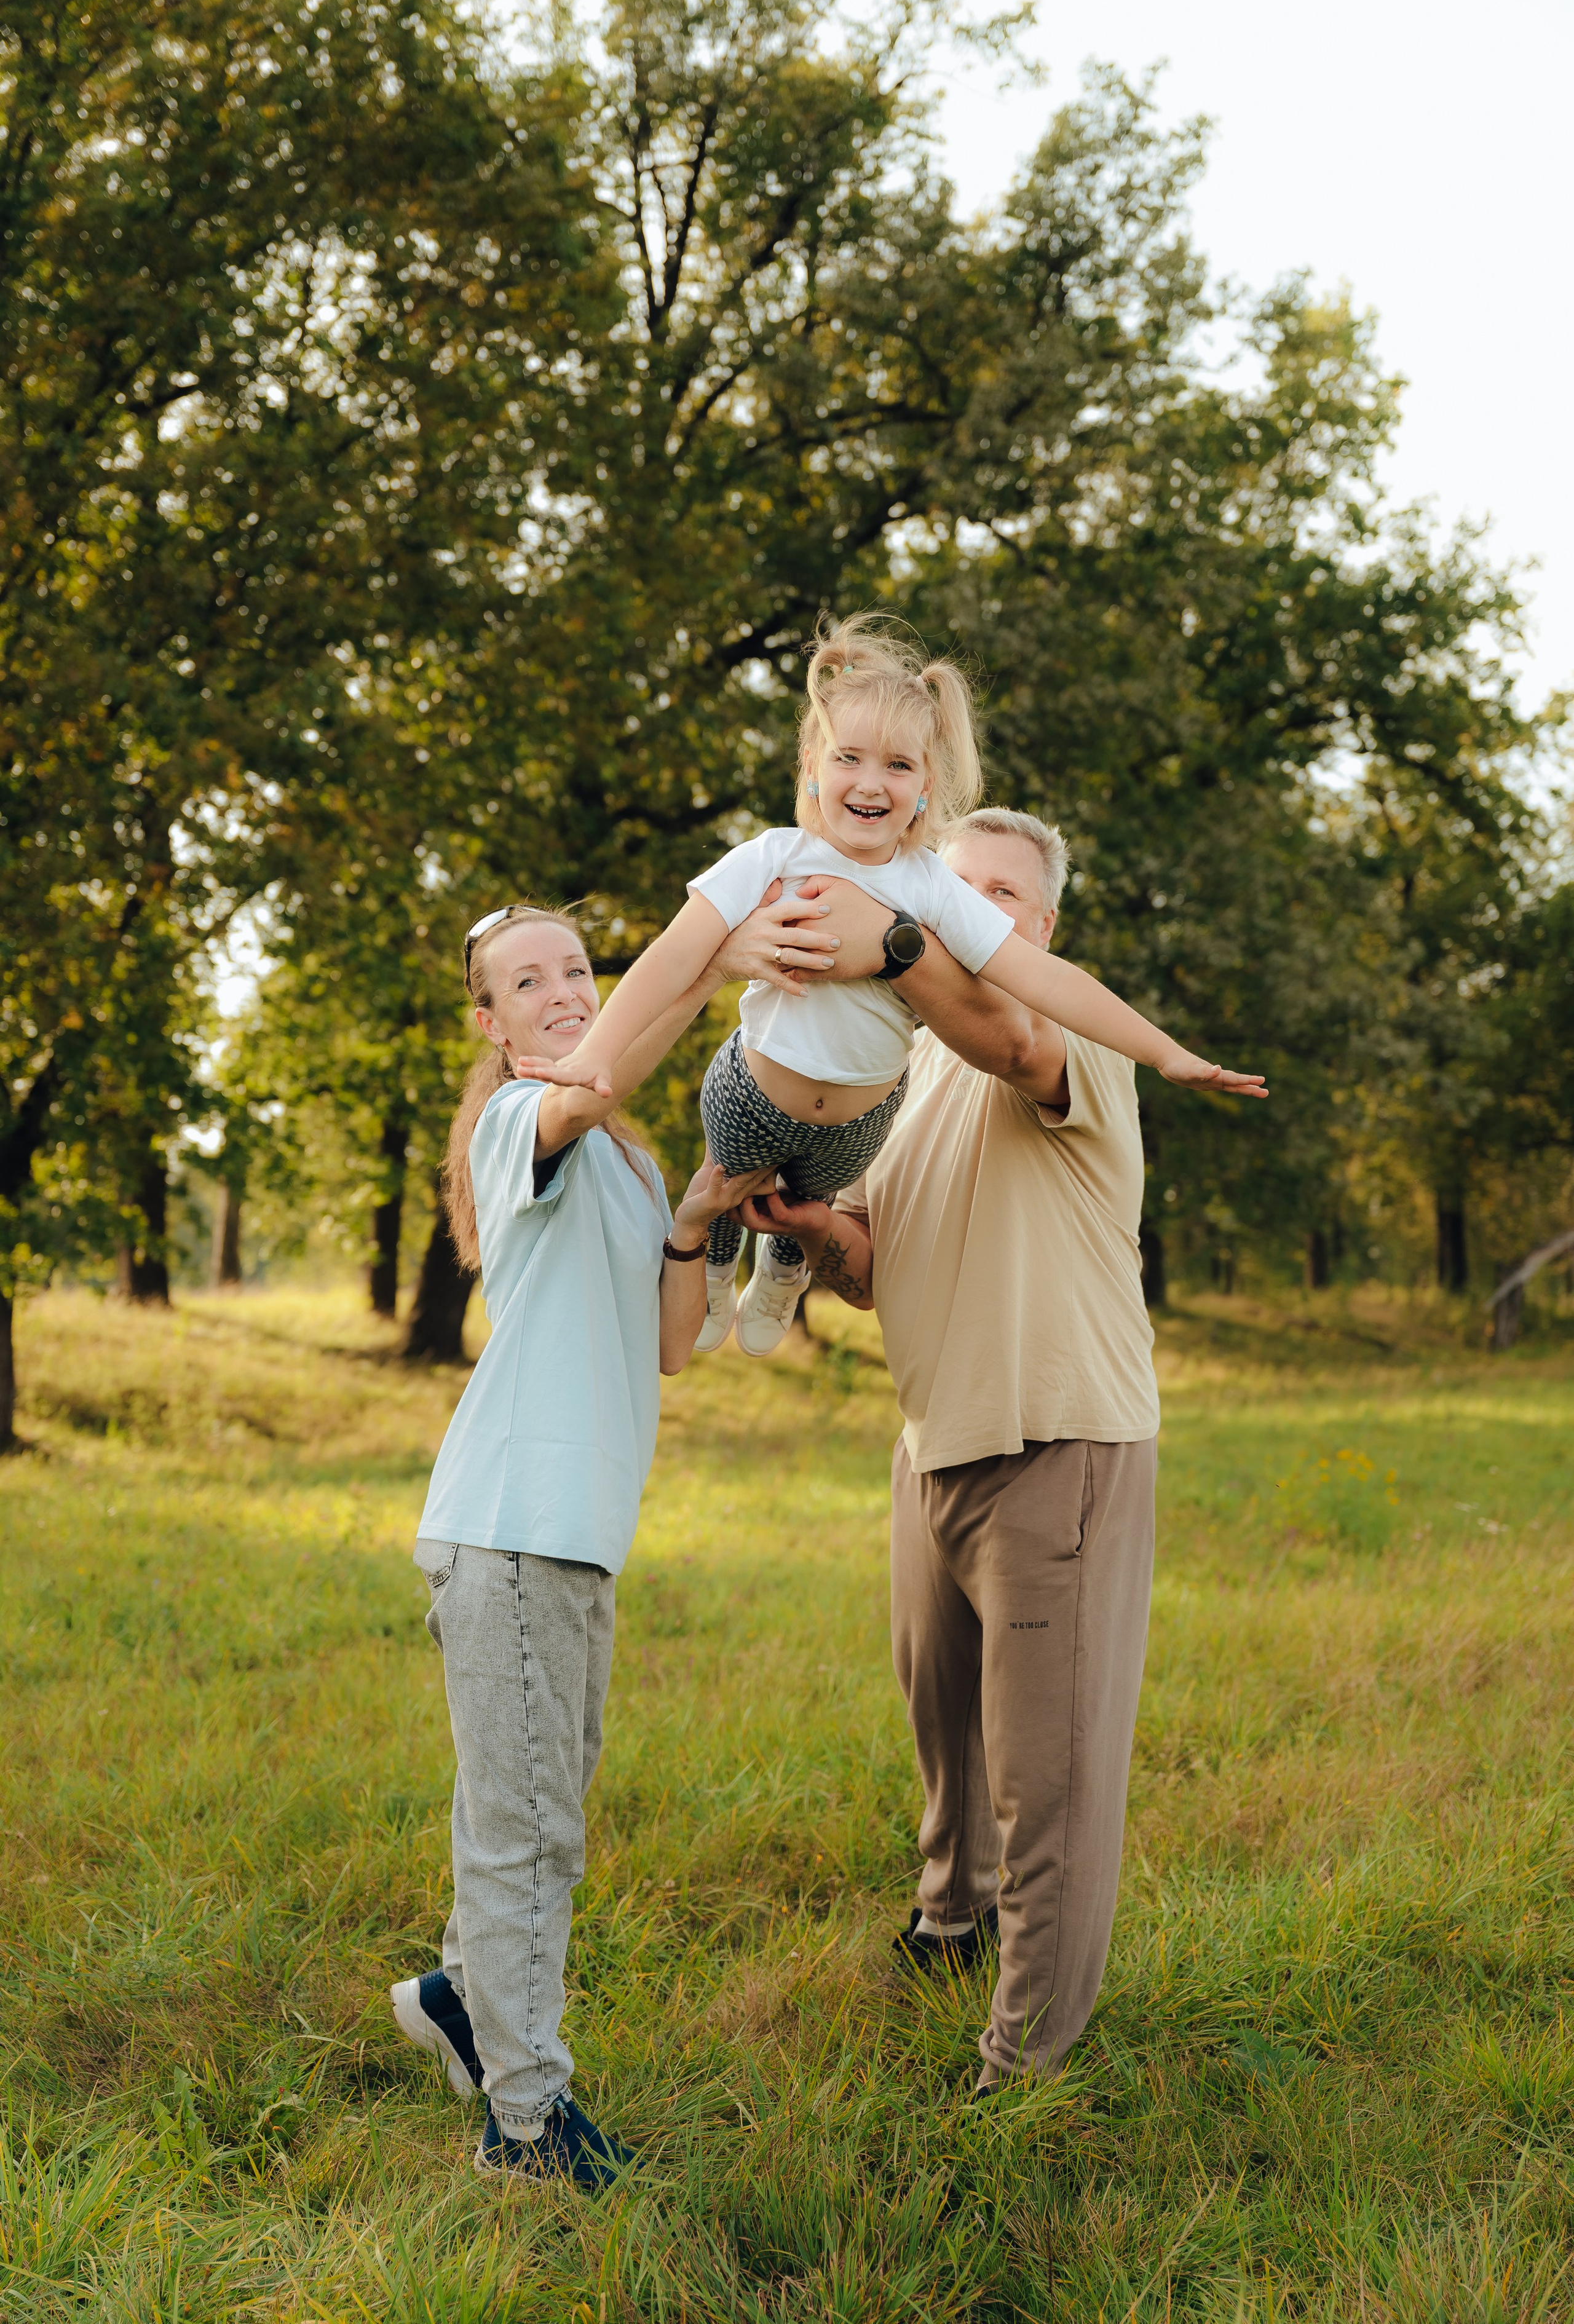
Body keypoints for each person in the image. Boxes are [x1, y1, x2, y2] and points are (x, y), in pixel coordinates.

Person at [738, 809, 1233, 2093]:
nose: (972, 913)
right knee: (945, 1738)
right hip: (932, 1448)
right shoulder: (901, 1083)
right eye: (952, 890)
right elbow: (865, 1265)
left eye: (998, 897)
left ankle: (1023, 2061)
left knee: (1044, 1778)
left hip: (1055, 1442)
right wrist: (808, 1228)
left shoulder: (1068, 1034)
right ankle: (945, 1925)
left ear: (1044, 928)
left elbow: (1008, 1033)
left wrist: (892, 933)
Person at [515, 614, 1264, 1360]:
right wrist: (597, 1056)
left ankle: (781, 1270)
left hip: (855, 1128)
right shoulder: (770, 857)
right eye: (849, 758)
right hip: (754, 1090)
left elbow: (1042, 976)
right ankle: (716, 1264)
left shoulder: (931, 888)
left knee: (802, 1208)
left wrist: (1166, 1054)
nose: (871, 783)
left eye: (899, 767)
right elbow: (672, 958)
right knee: (726, 1184)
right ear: (812, 764)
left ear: (925, 787)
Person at [389, 901, 777, 2186]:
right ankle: (526, 2126)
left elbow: (674, 1342)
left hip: (571, 1544)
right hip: (509, 1531)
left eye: (577, 968)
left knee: (539, 1816)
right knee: (527, 1832)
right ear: (488, 1024)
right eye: (527, 981)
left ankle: (458, 1997)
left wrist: (700, 1211)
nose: (561, 990)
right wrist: (716, 949)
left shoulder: (621, 1159)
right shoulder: (521, 1126)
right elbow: (601, 1066)